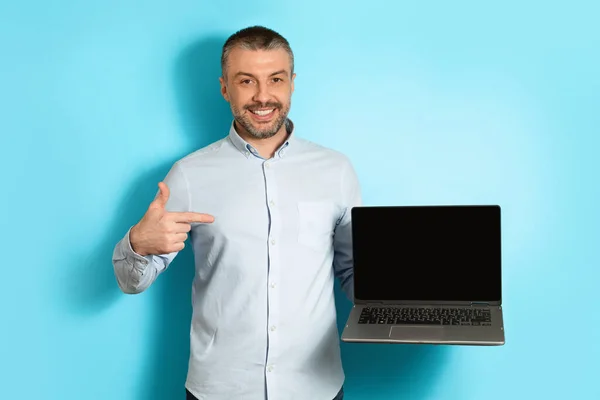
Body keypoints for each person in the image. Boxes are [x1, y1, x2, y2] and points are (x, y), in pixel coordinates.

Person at [112, 25, 361, 400]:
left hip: (316, 388)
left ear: (292, 83)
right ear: (225, 88)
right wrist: (138, 244)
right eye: (246, 81)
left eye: (275, 79)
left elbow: (353, 272)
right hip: (220, 390)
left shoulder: (336, 170)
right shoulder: (189, 174)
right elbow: (131, 282)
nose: (263, 96)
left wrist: (409, 304)